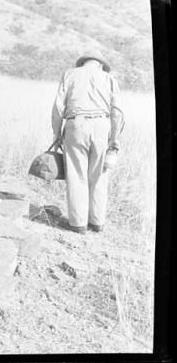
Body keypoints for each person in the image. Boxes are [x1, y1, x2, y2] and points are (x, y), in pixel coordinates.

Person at [51, 50, 125, 234]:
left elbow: (58, 107)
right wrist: (114, 140)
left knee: (76, 174)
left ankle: (78, 224)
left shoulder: (70, 74)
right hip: (102, 124)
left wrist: (57, 134)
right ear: (100, 64)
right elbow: (117, 112)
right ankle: (97, 222)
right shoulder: (108, 78)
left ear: (83, 63)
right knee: (99, 174)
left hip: (76, 124)